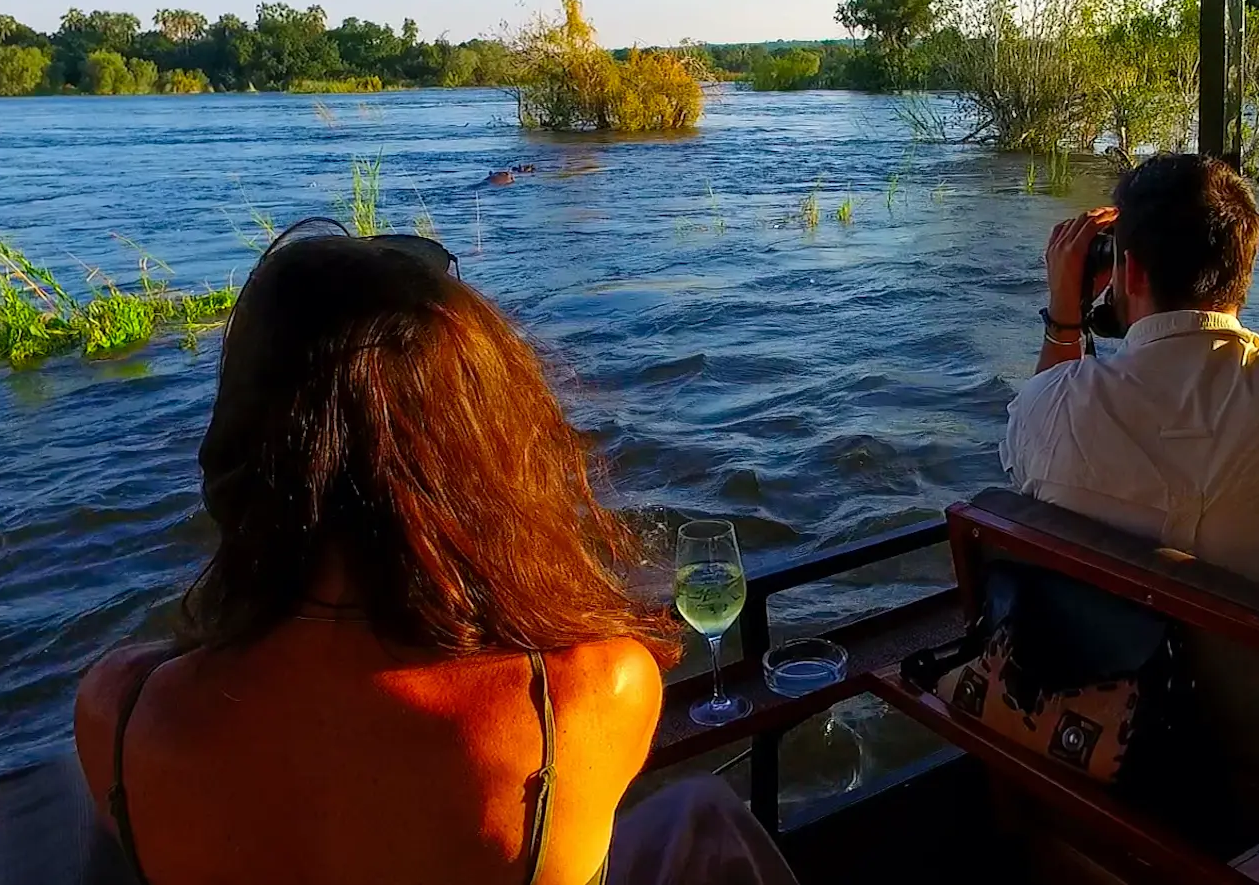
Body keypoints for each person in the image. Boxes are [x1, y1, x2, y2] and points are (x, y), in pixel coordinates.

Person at [72, 219, 795, 885]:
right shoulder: (592, 692)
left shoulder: (120, 712)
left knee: (697, 815)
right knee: (705, 817)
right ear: (484, 450)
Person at [1000, 153, 1259, 609]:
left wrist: (1065, 314)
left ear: (1130, 271)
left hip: (1125, 673)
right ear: (1244, 268)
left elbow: (1026, 468)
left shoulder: (1049, 404)